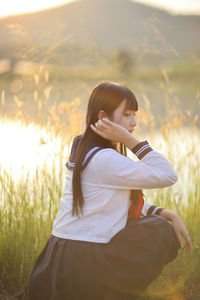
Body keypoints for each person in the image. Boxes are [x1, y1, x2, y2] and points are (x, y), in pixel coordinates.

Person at [23, 81, 192, 300]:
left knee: (156, 222)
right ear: (104, 117)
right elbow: (168, 175)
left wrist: (164, 212)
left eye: (135, 115)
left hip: (61, 256)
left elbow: (109, 202)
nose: (134, 121)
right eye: (128, 114)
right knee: (159, 231)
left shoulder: (84, 146)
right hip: (81, 261)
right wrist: (130, 140)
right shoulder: (104, 158)